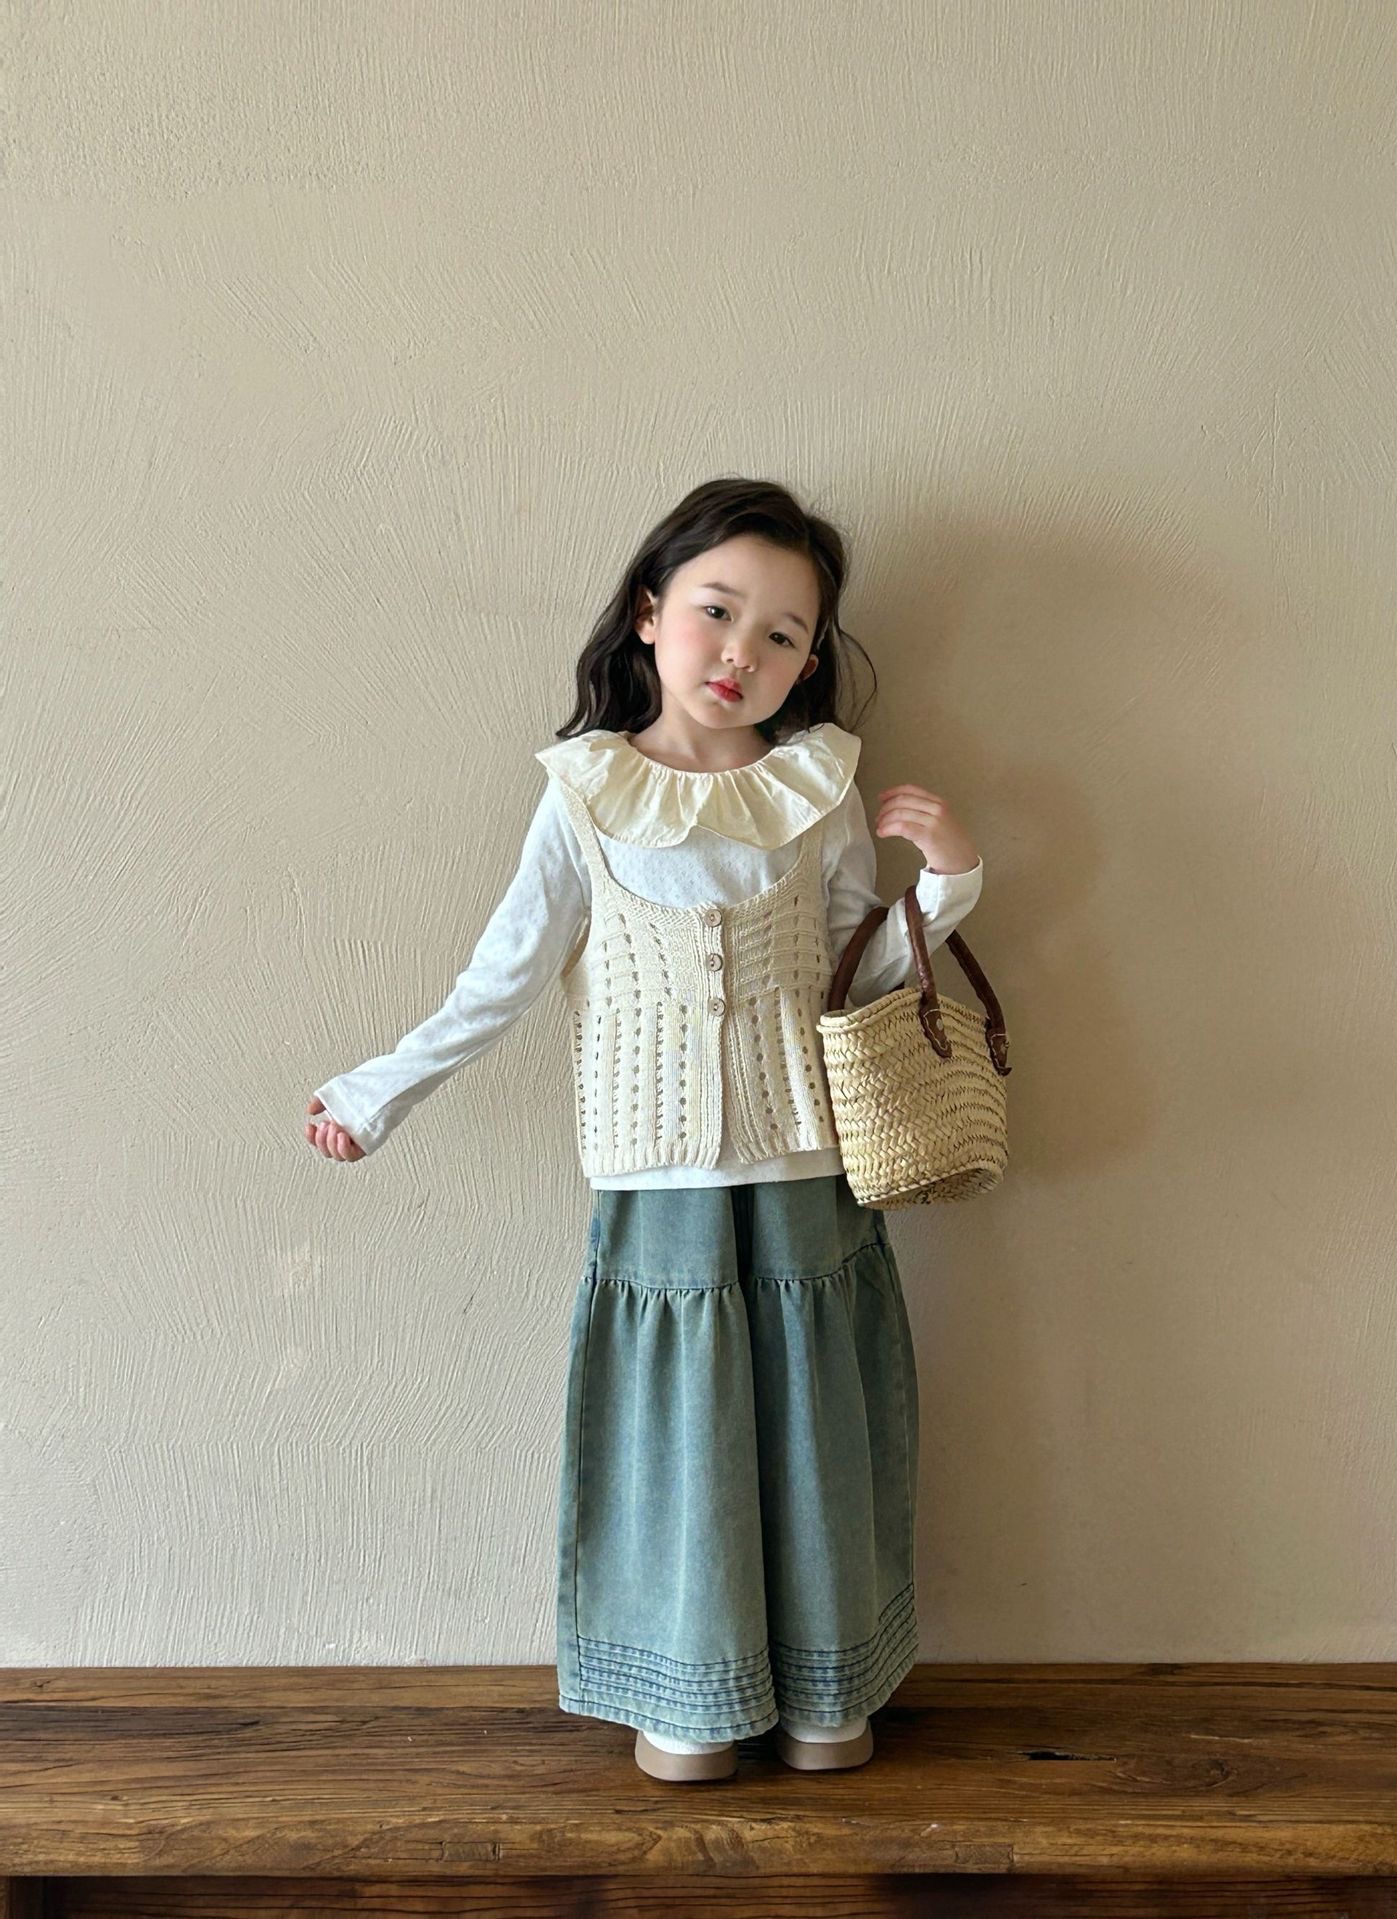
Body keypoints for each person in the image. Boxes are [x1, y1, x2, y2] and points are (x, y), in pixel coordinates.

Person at [305, 476, 984, 1783]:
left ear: (809, 661)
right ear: (649, 614)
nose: (742, 652)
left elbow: (864, 973)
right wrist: (375, 1093)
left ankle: (827, 1691)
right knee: (684, 1447)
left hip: (811, 1170)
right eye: (717, 611)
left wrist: (950, 881)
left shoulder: (819, 786)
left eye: (783, 633)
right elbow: (502, 977)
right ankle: (690, 1697)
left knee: (818, 1435)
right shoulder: (584, 794)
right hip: (655, 1181)